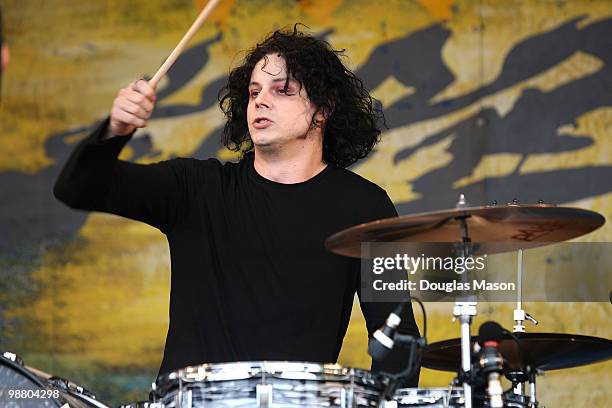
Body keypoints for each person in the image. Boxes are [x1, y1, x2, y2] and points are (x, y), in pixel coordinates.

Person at [54, 27, 420, 385]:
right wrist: (115, 129)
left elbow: (399, 342)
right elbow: (77, 189)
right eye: (254, 91)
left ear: (322, 110)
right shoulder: (196, 188)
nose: (260, 100)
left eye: (283, 90)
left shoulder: (365, 206)